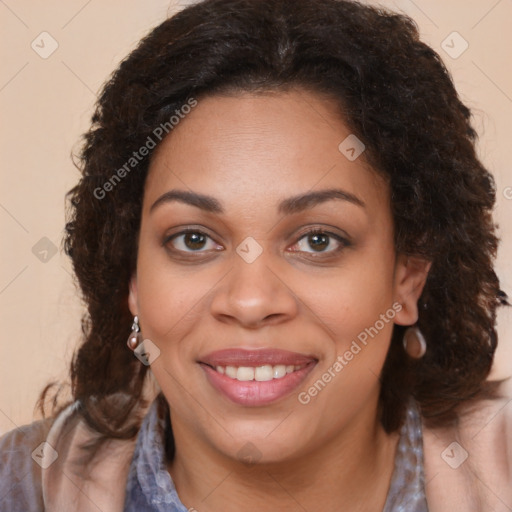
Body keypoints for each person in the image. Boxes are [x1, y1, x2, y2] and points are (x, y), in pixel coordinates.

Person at [1, 0, 511, 510]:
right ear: (131, 276)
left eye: (318, 240)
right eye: (194, 239)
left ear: (408, 279)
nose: (250, 302)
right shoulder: (19, 489)